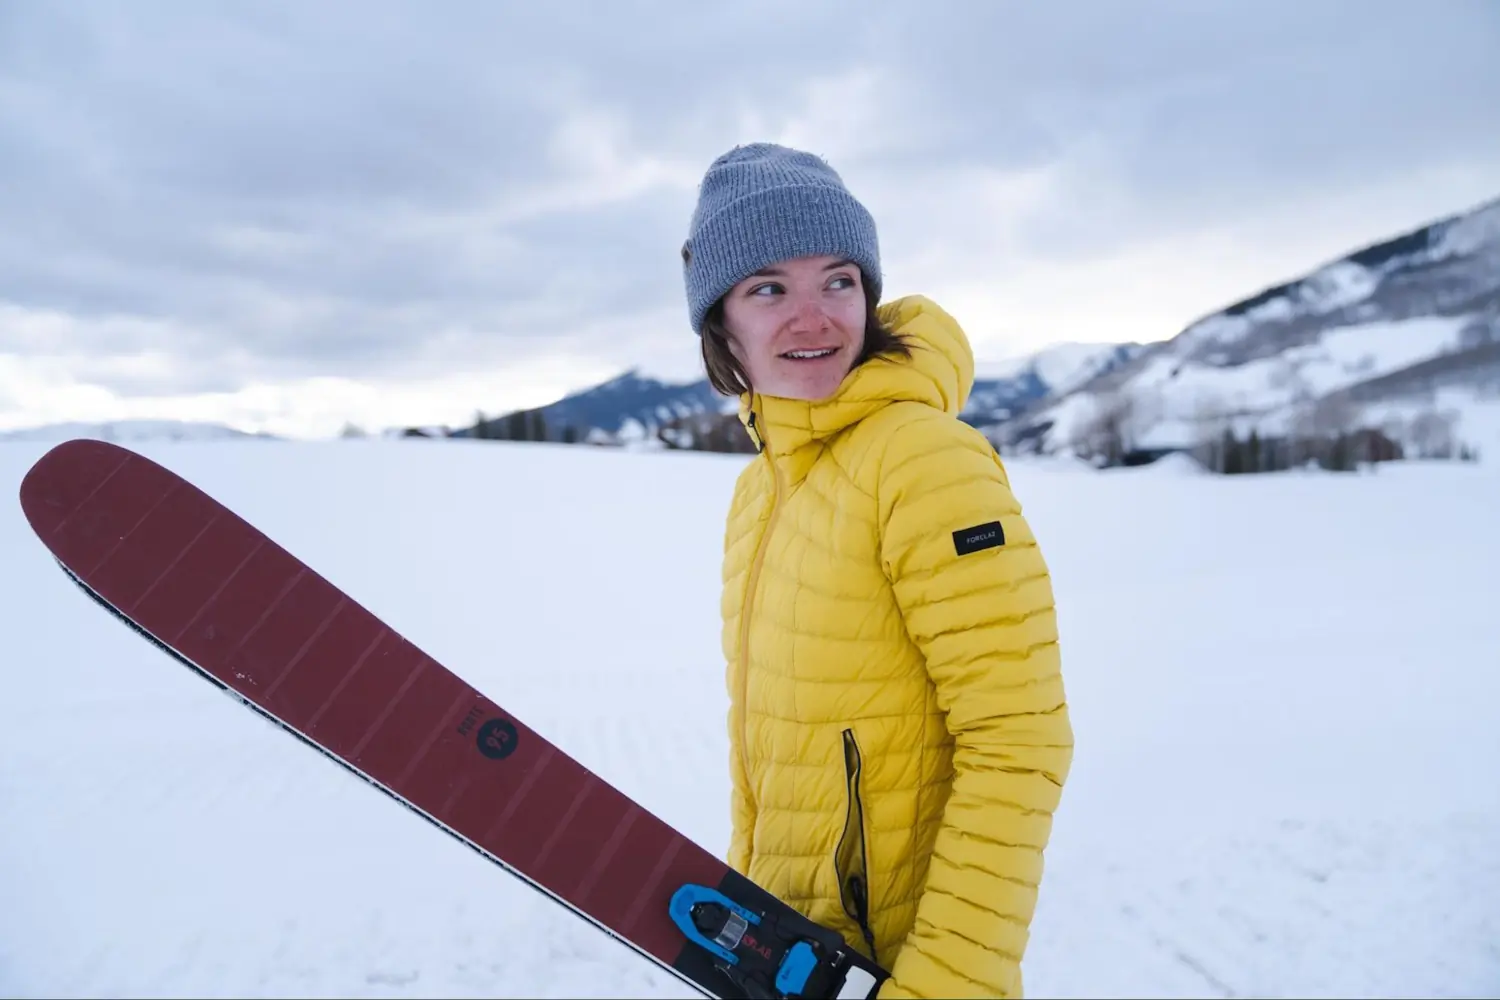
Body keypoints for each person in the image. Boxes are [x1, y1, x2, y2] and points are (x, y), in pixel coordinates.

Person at [679, 142, 1075, 998]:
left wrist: (944, 985)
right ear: (721, 323)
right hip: (792, 959)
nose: (814, 317)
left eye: (839, 280)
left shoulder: (923, 458)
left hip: (898, 968)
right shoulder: (762, 490)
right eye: (769, 287)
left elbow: (1020, 739)